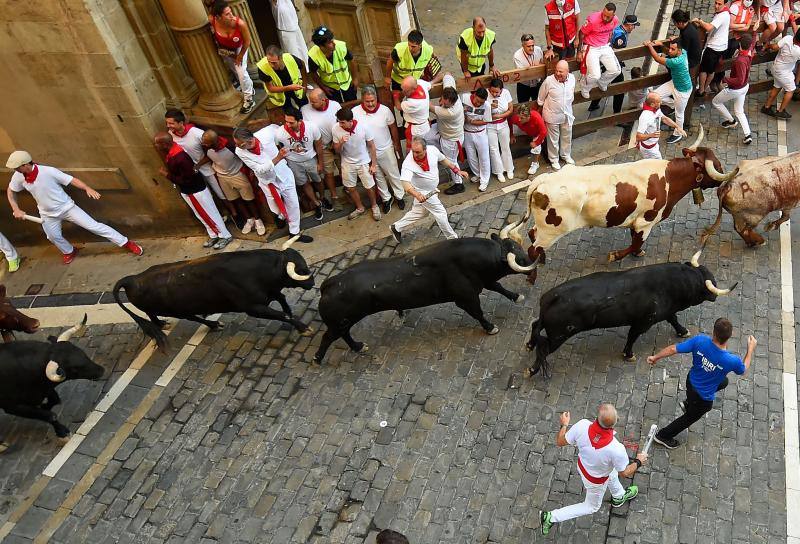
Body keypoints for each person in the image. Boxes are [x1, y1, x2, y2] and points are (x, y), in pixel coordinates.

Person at [6, 151, 143, 264]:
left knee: (94, 226)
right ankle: (69, 251)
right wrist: (15, 208)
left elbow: (71, 180)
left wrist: (87, 188)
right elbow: (11, 191)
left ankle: (126, 243)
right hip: (47, 214)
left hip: (67, 208)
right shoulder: (18, 176)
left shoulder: (48, 171)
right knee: (53, 237)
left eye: (17, 167)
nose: (15, 169)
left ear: (25, 165)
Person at [648, 318, 757, 449]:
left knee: (724, 381)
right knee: (690, 417)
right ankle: (663, 436)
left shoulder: (699, 340)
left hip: (691, 381)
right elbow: (743, 369)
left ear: (714, 332)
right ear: (729, 336)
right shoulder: (731, 360)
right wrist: (750, 349)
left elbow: (673, 349)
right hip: (703, 398)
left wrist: (655, 357)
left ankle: (689, 403)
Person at [539, 403, 647, 536]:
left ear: (597, 417)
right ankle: (551, 517)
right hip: (596, 480)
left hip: (583, 466)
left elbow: (560, 441)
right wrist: (639, 462)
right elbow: (624, 472)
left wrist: (564, 424)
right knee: (591, 507)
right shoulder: (616, 449)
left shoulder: (582, 425)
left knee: (611, 470)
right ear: (615, 423)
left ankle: (619, 496)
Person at [234, 127, 313, 243]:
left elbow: (280, 129)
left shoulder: (266, 133)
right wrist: (278, 157)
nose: (237, 147)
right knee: (275, 206)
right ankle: (280, 215)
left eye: (240, 144)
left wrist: (292, 145)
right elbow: (259, 169)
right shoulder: (240, 151)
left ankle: (294, 233)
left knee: (293, 204)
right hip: (268, 182)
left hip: (284, 175)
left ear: (250, 141)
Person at [154, 133, 233, 249]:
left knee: (210, 213)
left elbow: (187, 179)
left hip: (196, 191)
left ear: (165, 145)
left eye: (157, 143)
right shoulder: (172, 153)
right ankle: (213, 234)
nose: (155, 145)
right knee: (201, 214)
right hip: (188, 191)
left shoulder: (180, 157)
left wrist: (167, 175)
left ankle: (225, 235)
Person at [390, 137, 467, 243]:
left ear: (425, 149)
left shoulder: (432, 150)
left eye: (418, 152)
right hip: (422, 192)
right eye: (413, 151)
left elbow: (444, 160)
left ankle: (397, 227)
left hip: (432, 190)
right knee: (440, 212)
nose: (415, 154)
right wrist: (417, 194)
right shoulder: (408, 163)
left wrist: (457, 170)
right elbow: (405, 183)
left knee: (419, 212)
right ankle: (452, 239)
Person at [165, 109, 235, 218]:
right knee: (205, 196)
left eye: (171, 123)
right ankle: (220, 215)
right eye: (167, 123)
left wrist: (198, 165)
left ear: (181, 123)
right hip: (191, 172)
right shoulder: (170, 136)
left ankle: (234, 214)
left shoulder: (196, 133)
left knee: (220, 193)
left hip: (206, 169)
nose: (168, 126)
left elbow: (209, 152)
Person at [201, 130, 265, 235]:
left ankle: (258, 220)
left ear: (215, 142)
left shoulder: (230, 146)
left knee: (249, 199)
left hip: (237, 174)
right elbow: (209, 157)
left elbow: (244, 157)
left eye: (207, 143)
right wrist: (198, 165)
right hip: (222, 177)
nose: (204, 144)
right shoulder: (206, 148)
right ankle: (249, 219)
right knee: (235, 200)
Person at [353, 86, 406, 214]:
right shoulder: (355, 112)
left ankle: (399, 196)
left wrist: (396, 144)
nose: (370, 104)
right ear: (362, 100)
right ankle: (386, 198)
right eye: (367, 101)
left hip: (386, 148)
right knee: (378, 176)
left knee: (393, 174)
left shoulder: (385, 110)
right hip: (368, 152)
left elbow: (393, 127)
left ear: (376, 99)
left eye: (372, 100)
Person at [273, 106, 326, 220]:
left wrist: (320, 162)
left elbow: (318, 145)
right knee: (304, 183)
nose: (287, 125)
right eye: (286, 121)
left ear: (300, 121)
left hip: (311, 158)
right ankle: (317, 203)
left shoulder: (312, 127)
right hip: (294, 162)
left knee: (318, 180)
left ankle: (322, 198)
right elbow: (279, 147)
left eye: (291, 122)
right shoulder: (279, 133)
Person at [331, 108, 381, 221]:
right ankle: (360, 207)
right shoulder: (335, 128)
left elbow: (372, 145)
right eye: (339, 121)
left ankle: (374, 205)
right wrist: (341, 142)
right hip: (347, 162)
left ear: (351, 121)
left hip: (363, 161)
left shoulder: (363, 127)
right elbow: (336, 150)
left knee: (369, 186)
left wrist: (373, 164)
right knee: (351, 187)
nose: (340, 124)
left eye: (343, 122)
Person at [301, 88, 344, 211]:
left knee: (344, 169)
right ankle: (334, 197)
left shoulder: (335, 105)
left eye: (314, 102)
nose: (311, 104)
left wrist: (337, 141)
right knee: (328, 173)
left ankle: (347, 189)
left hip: (338, 143)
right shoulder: (305, 110)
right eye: (310, 101)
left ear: (323, 100)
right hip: (323, 147)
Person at [208, 1, 254, 114]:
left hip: (240, 48)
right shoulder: (212, 20)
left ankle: (249, 99)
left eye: (231, 12)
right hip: (225, 50)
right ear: (218, 16)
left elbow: (247, 42)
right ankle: (246, 87)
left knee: (241, 72)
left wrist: (240, 56)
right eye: (227, 14)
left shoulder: (240, 24)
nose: (231, 15)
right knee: (233, 69)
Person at [588, 14, 640, 113]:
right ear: (629, 25)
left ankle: (593, 105)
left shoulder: (617, 29)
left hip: (604, 61)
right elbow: (615, 53)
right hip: (611, 64)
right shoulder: (621, 36)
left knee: (604, 82)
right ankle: (616, 113)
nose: (634, 28)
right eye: (634, 26)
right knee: (620, 88)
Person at [644, 39, 693, 144]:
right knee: (654, 95)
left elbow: (657, 58)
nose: (670, 51)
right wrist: (662, 44)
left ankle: (678, 134)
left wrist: (649, 46)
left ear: (679, 50)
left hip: (682, 91)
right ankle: (672, 105)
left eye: (672, 49)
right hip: (674, 83)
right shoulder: (683, 52)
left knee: (679, 114)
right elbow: (670, 51)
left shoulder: (676, 62)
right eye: (669, 48)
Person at [712, 33, 755, 144]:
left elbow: (739, 80)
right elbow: (753, 42)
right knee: (739, 111)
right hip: (745, 86)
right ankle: (748, 134)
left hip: (736, 89)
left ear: (740, 44)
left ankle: (731, 120)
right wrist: (754, 33)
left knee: (716, 102)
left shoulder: (740, 60)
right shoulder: (749, 52)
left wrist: (725, 80)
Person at [430, 74, 467, 195]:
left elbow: (428, 106)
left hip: (450, 140)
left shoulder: (450, 112)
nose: (443, 105)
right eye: (443, 101)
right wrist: (433, 81)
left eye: (446, 104)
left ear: (452, 102)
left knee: (451, 161)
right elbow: (447, 75)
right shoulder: (451, 93)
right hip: (451, 135)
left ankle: (458, 183)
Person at [577, 3, 621, 99]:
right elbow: (581, 33)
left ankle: (603, 82)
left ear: (613, 15)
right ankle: (585, 87)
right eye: (603, 15)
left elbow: (610, 31)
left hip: (605, 46)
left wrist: (609, 41)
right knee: (595, 75)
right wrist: (579, 51)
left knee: (616, 70)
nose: (605, 18)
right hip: (591, 47)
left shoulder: (615, 20)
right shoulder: (592, 20)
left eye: (608, 17)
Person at [712, 0, 758, 91]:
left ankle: (719, 80)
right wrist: (743, 26)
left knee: (729, 59)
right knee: (721, 59)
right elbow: (730, 25)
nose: (748, 1)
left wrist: (744, 27)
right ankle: (714, 80)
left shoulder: (751, 9)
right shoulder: (735, 7)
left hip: (738, 38)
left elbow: (748, 26)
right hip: (729, 37)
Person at [538, 60, 576, 170]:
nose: (558, 73)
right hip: (552, 115)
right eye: (556, 71)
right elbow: (541, 97)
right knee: (553, 139)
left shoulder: (572, 79)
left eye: (561, 71)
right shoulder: (548, 81)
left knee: (567, 135)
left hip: (567, 114)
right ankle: (554, 159)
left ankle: (565, 155)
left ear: (567, 72)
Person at [384, 30, 443, 97]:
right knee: (398, 97)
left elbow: (431, 60)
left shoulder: (428, 51)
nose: (410, 48)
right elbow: (390, 61)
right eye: (409, 45)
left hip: (414, 82)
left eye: (413, 46)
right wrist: (387, 77)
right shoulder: (399, 50)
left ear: (420, 46)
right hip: (398, 80)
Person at [308, 26, 358, 102]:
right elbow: (313, 73)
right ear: (321, 47)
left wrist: (355, 79)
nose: (334, 43)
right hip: (331, 89)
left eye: (332, 40)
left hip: (348, 85)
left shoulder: (341, 46)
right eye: (330, 42)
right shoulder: (313, 56)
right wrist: (323, 87)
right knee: (337, 108)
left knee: (353, 104)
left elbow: (352, 60)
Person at [693, 0, 731, 97]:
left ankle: (701, 90)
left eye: (719, 4)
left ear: (724, 4)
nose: (716, 6)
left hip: (714, 47)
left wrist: (700, 21)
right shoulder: (726, 12)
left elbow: (709, 28)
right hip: (722, 46)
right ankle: (704, 89)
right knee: (712, 70)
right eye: (716, 3)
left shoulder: (722, 16)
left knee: (704, 70)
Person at [762, 30, 800, 119]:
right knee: (791, 89)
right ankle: (781, 111)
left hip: (776, 68)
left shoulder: (788, 38)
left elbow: (775, 47)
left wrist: (769, 45)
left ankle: (766, 107)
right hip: (785, 73)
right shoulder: (798, 51)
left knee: (777, 86)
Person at [635, 93, 686, 160]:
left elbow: (664, 118)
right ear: (652, 104)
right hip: (649, 148)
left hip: (654, 144)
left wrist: (678, 127)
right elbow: (638, 137)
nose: (661, 102)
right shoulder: (645, 116)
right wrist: (651, 135)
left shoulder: (656, 109)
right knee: (659, 164)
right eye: (659, 102)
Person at [257, 45, 308, 109]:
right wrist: (288, 88)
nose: (271, 65)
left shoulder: (290, 58)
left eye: (274, 63)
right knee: (290, 113)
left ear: (281, 58)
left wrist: (305, 85)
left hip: (297, 89)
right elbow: (270, 88)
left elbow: (302, 64)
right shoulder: (262, 67)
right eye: (269, 61)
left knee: (305, 107)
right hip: (280, 95)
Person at [461, 87, 493, 191]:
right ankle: (477, 174)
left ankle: (484, 180)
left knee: (484, 157)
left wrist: (472, 122)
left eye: (481, 103)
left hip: (480, 133)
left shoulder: (486, 105)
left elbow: (486, 121)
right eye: (477, 101)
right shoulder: (464, 98)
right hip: (467, 133)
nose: (478, 104)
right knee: (471, 156)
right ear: (474, 95)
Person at [487, 79, 515, 182]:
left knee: (505, 146)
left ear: (501, 90)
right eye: (492, 91)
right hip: (490, 125)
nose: (494, 93)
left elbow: (510, 109)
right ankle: (499, 171)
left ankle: (509, 168)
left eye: (496, 92)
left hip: (503, 123)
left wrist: (500, 115)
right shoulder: (486, 93)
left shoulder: (506, 93)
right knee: (494, 149)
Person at [508, 103, 547, 175]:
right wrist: (511, 135)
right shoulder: (517, 119)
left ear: (528, 116)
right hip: (524, 129)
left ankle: (535, 163)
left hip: (536, 133)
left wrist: (536, 143)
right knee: (506, 132)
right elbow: (510, 121)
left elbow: (544, 132)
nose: (519, 119)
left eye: (522, 118)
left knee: (536, 148)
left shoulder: (536, 117)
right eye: (519, 117)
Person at [397, 75, 433, 149]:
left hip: (416, 130)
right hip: (424, 124)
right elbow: (430, 84)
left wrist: (395, 97)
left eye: (405, 91)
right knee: (424, 146)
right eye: (402, 89)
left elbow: (398, 107)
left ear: (413, 89)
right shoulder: (420, 83)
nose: (403, 92)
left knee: (413, 149)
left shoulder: (414, 103)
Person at [270, 0, 308, 67]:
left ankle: (308, 71)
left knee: (304, 53)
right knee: (293, 56)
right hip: (285, 30)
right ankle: (299, 75)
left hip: (295, 26)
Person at [514, 34, 545, 104]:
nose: (531, 48)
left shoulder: (538, 50)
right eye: (528, 46)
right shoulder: (517, 56)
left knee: (538, 104)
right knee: (523, 106)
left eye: (532, 45)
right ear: (523, 46)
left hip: (537, 83)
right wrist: (536, 67)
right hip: (524, 85)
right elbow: (523, 74)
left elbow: (543, 64)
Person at [670, 10, 703, 75]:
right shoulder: (689, 25)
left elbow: (682, 52)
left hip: (691, 61)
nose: (675, 25)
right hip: (696, 58)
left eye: (675, 23)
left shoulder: (686, 33)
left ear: (680, 23)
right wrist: (677, 39)